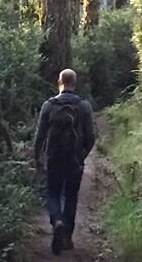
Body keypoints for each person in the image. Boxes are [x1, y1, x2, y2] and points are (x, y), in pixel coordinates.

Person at [34, 68, 95, 255]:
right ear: (74, 84)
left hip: (54, 159)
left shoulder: (48, 105)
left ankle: (57, 221)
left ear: (59, 82)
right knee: (71, 196)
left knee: (52, 193)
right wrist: (82, 157)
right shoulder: (84, 106)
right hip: (74, 161)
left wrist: (38, 158)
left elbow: (39, 137)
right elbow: (91, 138)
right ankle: (67, 237)